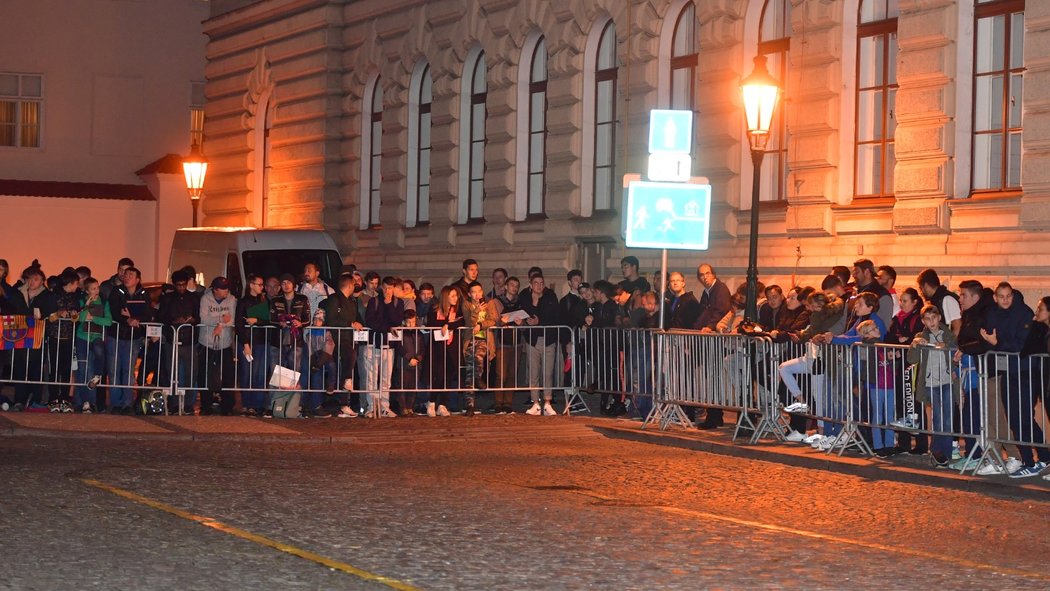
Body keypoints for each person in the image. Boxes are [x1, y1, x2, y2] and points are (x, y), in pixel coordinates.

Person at [908, 305, 958, 467]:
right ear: (923, 321)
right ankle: (937, 451)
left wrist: (948, 348)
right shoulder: (920, 337)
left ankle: (946, 454)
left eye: (934, 318)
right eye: (928, 319)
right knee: (937, 418)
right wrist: (914, 345)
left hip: (947, 381)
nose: (932, 322)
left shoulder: (949, 335)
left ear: (939, 318)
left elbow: (956, 353)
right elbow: (912, 359)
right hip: (930, 383)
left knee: (948, 419)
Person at [884, 287, 927, 456]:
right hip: (899, 366)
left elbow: (915, 338)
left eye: (905, 300)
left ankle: (921, 444)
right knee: (901, 402)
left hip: (914, 366)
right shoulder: (897, 318)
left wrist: (904, 340)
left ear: (915, 302)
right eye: (900, 300)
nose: (901, 304)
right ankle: (904, 442)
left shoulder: (917, 319)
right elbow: (889, 337)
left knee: (915, 403)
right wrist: (899, 340)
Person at [107, 266, 151, 414]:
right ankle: (115, 403)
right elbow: (114, 312)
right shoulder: (116, 292)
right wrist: (127, 319)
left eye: (131, 275)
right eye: (125, 275)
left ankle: (127, 402)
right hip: (116, 335)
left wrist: (135, 318)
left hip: (133, 337)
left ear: (138, 279)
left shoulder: (143, 294)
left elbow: (148, 313)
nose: (127, 277)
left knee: (128, 370)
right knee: (114, 370)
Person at [157, 270, 201, 414]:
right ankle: (174, 404)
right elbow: (162, 317)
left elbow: (199, 317)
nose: (181, 288)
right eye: (178, 285)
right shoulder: (167, 298)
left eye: (183, 285)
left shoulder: (194, 298)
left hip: (189, 340)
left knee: (191, 374)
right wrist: (173, 321)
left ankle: (188, 404)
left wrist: (192, 320)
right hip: (172, 340)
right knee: (173, 374)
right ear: (174, 284)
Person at [695, 263, 731, 429]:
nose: (705, 277)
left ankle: (715, 416)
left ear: (713, 274)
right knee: (712, 378)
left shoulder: (720, 289)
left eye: (707, 273)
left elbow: (720, 310)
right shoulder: (707, 292)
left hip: (716, 341)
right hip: (710, 341)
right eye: (701, 275)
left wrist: (709, 326)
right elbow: (704, 312)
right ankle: (715, 415)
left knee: (714, 378)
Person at [521, 274, 562, 416]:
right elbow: (524, 315)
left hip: (548, 339)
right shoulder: (525, 297)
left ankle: (548, 403)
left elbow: (555, 315)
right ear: (530, 284)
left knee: (548, 372)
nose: (539, 285)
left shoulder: (550, 297)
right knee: (533, 372)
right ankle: (535, 403)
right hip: (532, 340)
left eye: (541, 283)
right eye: (536, 283)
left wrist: (540, 321)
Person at [323, 273, 363, 418]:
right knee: (343, 368)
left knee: (348, 368)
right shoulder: (334, 299)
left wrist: (359, 324)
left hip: (350, 338)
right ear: (350, 285)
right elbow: (331, 319)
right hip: (337, 339)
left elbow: (356, 317)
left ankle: (344, 404)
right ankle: (337, 402)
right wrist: (349, 324)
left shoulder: (352, 301)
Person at [364, 276, 404, 418]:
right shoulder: (373, 301)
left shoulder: (398, 303)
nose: (388, 291)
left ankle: (384, 406)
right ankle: (371, 407)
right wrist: (387, 328)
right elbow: (370, 322)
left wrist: (388, 305)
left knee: (386, 378)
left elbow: (397, 320)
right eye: (386, 288)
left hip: (389, 345)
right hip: (374, 343)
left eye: (391, 288)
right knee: (372, 377)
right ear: (381, 287)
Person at [270, 273, 311, 412]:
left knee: (293, 374)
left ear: (293, 284)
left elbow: (307, 319)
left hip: (296, 342)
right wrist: (279, 322)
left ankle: (292, 406)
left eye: (288, 282)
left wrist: (300, 323)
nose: (286, 285)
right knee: (276, 374)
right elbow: (271, 318)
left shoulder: (302, 299)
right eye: (283, 283)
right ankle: (275, 405)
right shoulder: (276, 300)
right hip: (278, 341)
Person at [198, 277, 237, 416]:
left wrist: (221, 325)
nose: (225, 290)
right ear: (215, 289)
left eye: (227, 287)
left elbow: (232, 318)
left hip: (225, 343)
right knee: (205, 375)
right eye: (222, 288)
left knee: (227, 375)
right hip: (206, 342)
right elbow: (204, 318)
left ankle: (227, 406)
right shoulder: (205, 299)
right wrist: (221, 319)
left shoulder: (231, 299)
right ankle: (206, 405)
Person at [235, 273, 272, 417]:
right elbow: (239, 324)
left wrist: (257, 320)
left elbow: (269, 319)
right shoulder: (243, 302)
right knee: (247, 373)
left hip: (261, 342)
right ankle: (247, 403)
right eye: (260, 284)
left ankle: (258, 404)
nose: (262, 288)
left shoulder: (264, 300)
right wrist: (245, 343)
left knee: (260, 374)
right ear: (251, 285)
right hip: (248, 342)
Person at [74, 277, 111, 413]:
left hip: (96, 336)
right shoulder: (82, 301)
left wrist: (94, 318)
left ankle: (98, 375)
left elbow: (108, 321)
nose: (97, 291)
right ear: (87, 291)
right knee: (83, 370)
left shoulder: (104, 302)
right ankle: (86, 402)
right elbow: (80, 318)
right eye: (93, 289)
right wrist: (86, 306)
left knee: (99, 351)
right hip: (82, 337)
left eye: (98, 288)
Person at [46, 271, 81, 412]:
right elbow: (48, 316)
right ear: (70, 283)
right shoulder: (53, 295)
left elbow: (76, 317)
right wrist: (59, 313)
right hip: (55, 336)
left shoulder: (75, 297)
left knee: (66, 369)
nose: (77, 286)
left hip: (68, 337)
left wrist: (74, 315)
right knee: (54, 368)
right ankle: (53, 398)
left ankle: (65, 398)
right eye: (76, 283)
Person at [426, 286, 463, 417]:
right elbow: (431, 323)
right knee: (439, 376)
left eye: (456, 296)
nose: (455, 298)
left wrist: (448, 325)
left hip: (451, 347)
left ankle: (443, 404)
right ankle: (431, 402)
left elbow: (460, 321)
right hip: (438, 347)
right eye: (452, 296)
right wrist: (446, 323)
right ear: (445, 296)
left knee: (448, 376)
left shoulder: (457, 309)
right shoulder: (435, 309)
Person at [462, 281, 497, 415]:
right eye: (474, 292)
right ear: (470, 294)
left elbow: (493, 320)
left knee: (479, 362)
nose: (477, 295)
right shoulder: (466, 304)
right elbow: (469, 322)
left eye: (479, 291)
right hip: (470, 340)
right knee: (470, 372)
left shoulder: (489, 303)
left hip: (484, 339)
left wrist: (481, 325)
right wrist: (476, 311)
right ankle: (470, 404)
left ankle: (478, 378)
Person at [492, 276, 526, 414]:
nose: (514, 288)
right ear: (506, 286)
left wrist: (521, 323)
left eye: (516, 285)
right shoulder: (497, 301)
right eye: (511, 285)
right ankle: (498, 402)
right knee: (501, 374)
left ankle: (508, 402)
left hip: (516, 342)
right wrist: (501, 321)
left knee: (512, 374)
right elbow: (493, 320)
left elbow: (524, 324)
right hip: (502, 342)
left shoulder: (520, 302)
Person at [396, 309, 426, 416]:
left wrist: (418, 358)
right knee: (402, 386)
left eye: (413, 322)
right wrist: (409, 358)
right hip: (404, 363)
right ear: (404, 322)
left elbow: (422, 347)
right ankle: (403, 407)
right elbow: (399, 347)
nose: (411, 325)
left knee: (413, 386)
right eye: (408, 322)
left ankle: (410, 407)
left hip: (416, 363)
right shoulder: (400, 332)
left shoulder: (418, 333)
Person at [917, 268, 961, 335]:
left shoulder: (947, 299)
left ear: (926, 286)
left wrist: (949, 344)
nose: (921, 292)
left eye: (920, 288)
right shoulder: (939, 300)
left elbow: (957, 327)